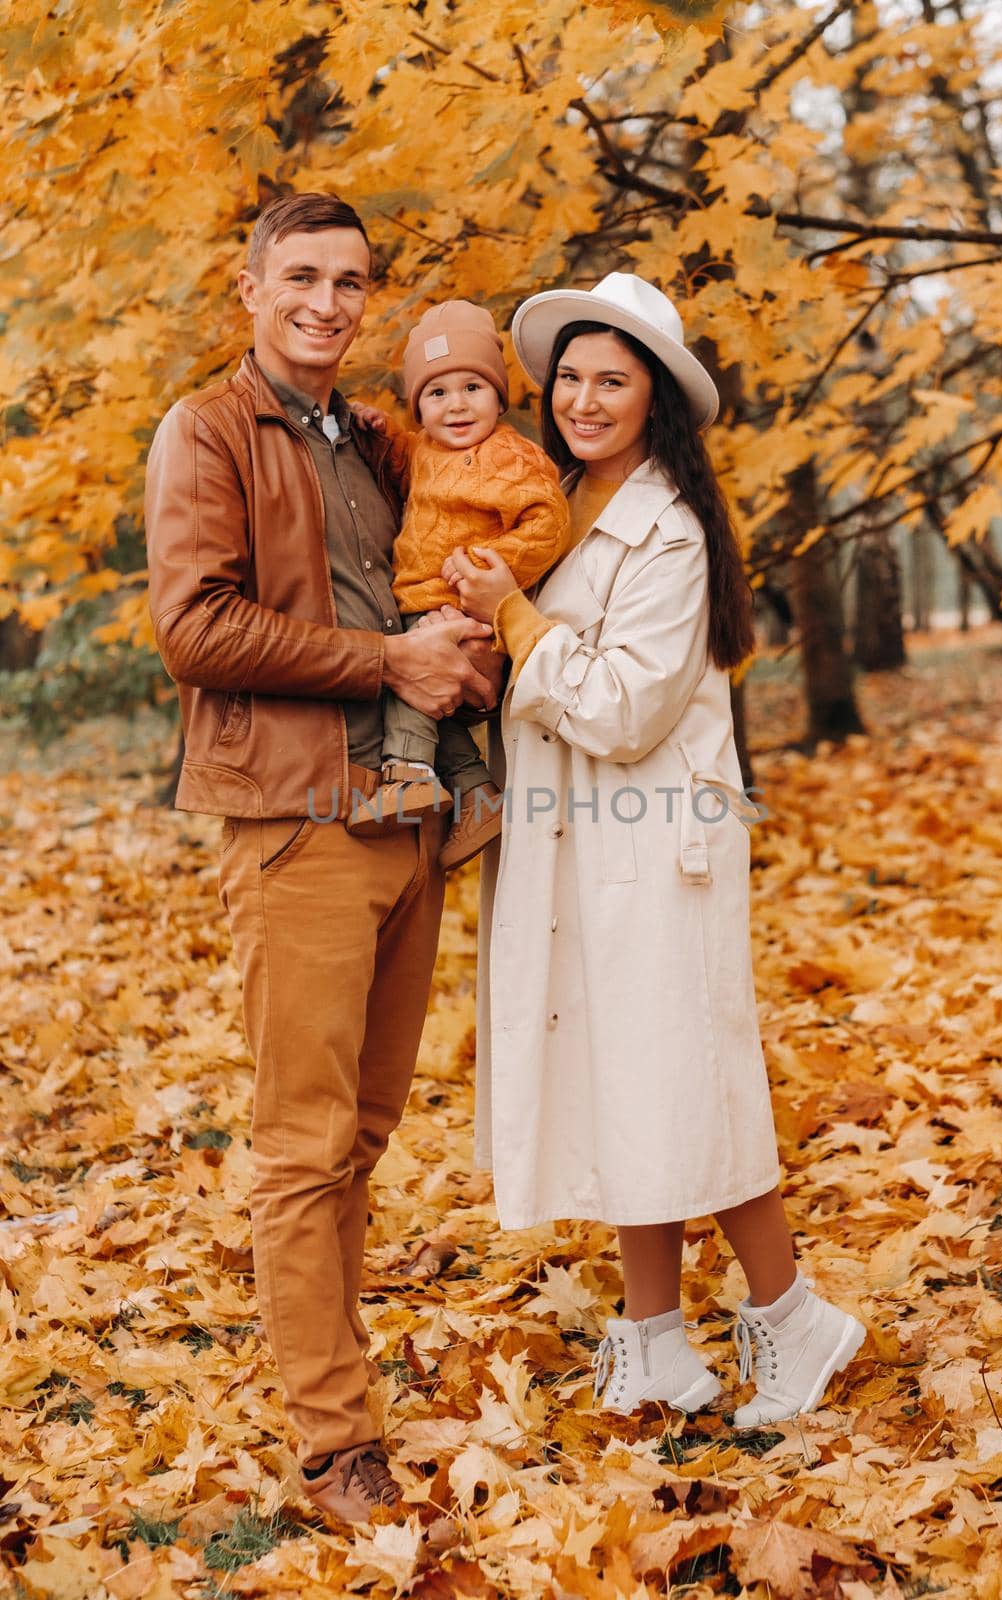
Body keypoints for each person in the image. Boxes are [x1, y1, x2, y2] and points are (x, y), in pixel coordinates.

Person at [449, 272, 866, 1425]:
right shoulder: (551, 502)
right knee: (622, 1082)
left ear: (653, 401)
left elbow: (623, 706)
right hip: (569, 837)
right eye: (570, 377)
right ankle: (655, 1340)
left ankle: (794, 1318)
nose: (583, 398)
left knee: (687, 1084)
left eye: (611, 381)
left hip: (652, 847)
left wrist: (514, 622)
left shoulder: (668, 530)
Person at [144, 192, 504, 1522]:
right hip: (297, 826)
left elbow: (436, 580)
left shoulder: (374, 443)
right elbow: (194, 628)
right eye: (301, 276)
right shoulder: (204, 432)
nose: (327, 303)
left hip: (406, 819)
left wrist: (462, 650)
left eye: (350, 282)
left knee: (361, 1129)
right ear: (249, 288)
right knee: (303, 1142)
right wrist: (386, 661)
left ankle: (334, 1375)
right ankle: (333, 1443)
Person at [373, 300, 570, 870]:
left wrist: (488, 567)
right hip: (421, 604)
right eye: (436, 394)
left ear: (498, 397)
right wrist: (375, 427)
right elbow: (396, 457)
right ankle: (477, 796)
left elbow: (549, 522)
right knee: (436, 710)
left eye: (472, 388)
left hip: (464, 610)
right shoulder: (425, 451)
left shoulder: (508, 457)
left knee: (407, 682)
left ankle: (406, 776)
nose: (455, 405)